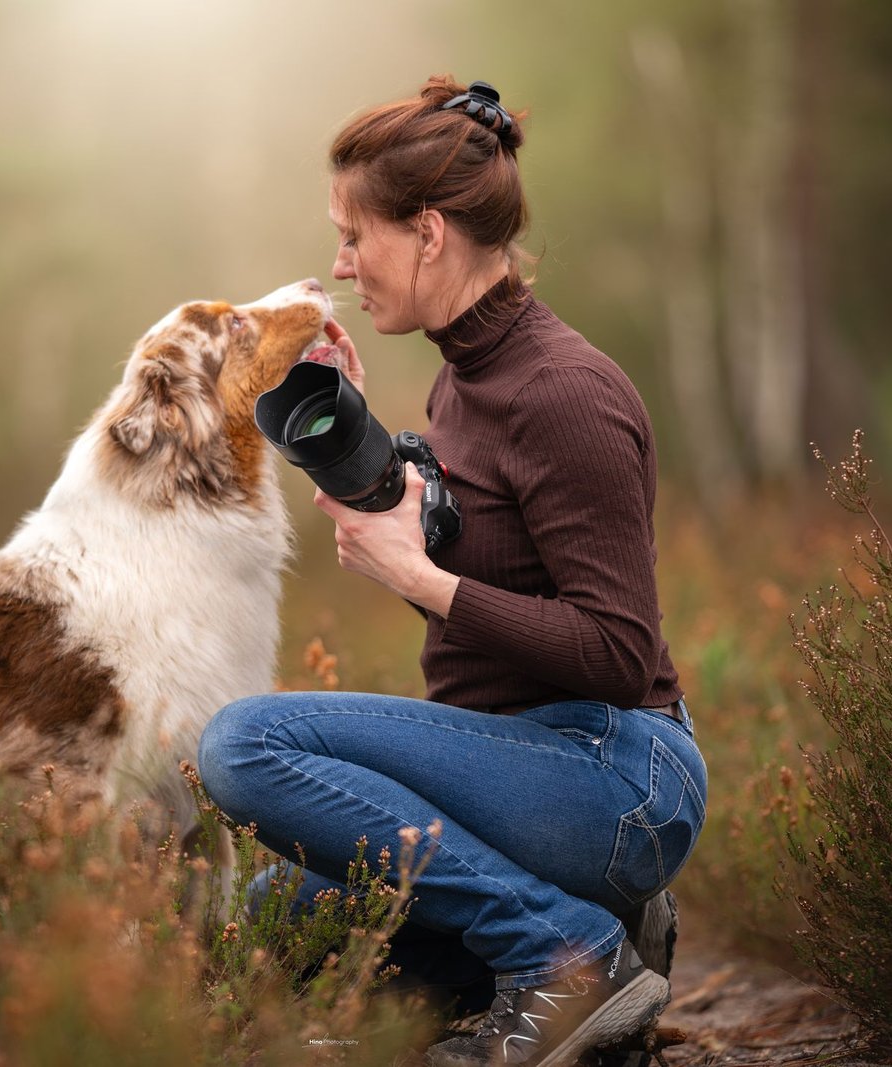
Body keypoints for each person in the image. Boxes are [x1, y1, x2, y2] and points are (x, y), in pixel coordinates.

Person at [197, 75, 706, 1067]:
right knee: (268, 923)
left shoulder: (565, 393)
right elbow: (487, 587)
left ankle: (562, 950)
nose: (341, 265)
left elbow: (615, 651)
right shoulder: (462, 381)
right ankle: (604, 928)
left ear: (428, 232)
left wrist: (423, 581)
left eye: (355, 237)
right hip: (532, 779)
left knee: (245, 744)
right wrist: (354, 451)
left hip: (620, 775)